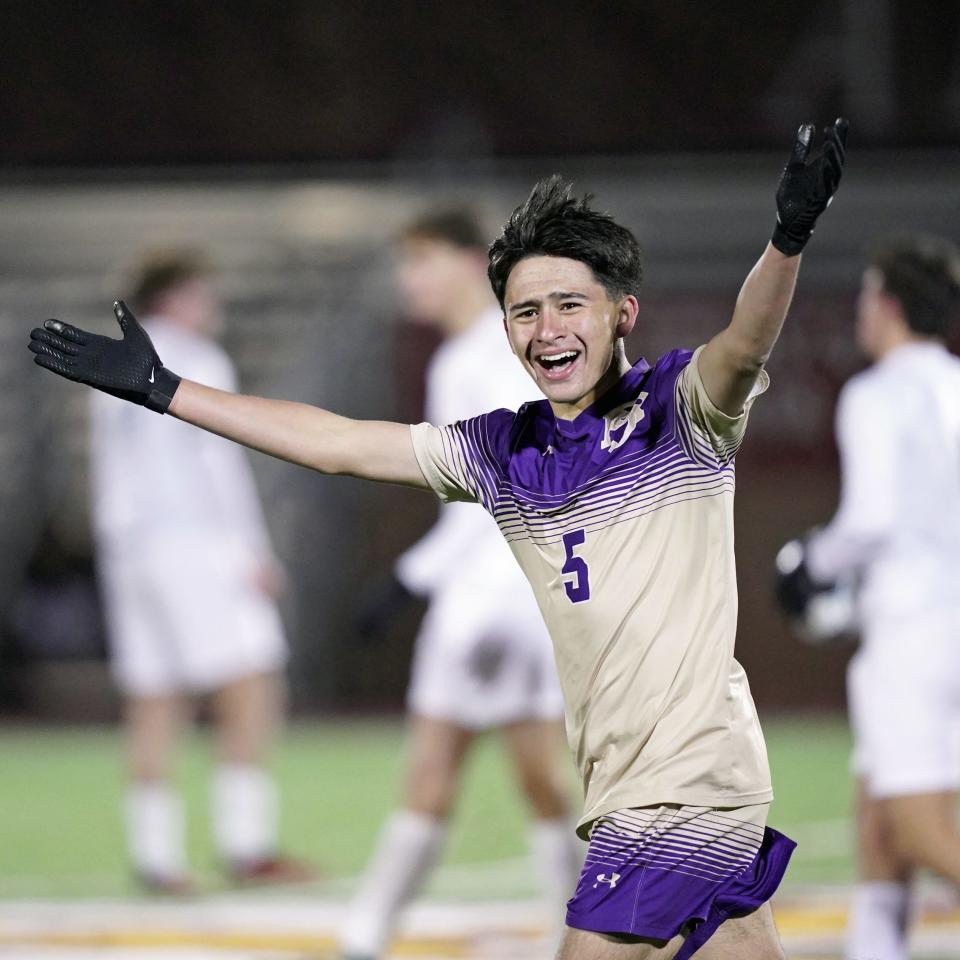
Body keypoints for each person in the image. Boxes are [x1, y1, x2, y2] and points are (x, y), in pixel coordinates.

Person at [28, 116, 847, 957]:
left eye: (571, 303)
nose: (548, 327)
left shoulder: (680, 414)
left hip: (682, 787)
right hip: (656, 782)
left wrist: (788, 237)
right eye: (525, 311)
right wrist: (168, 390)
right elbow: (339, 443)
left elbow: (747, 340)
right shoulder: (505, 449)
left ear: (623, 313)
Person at [340, 208, 581, 959]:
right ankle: (584, 932)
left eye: (422, 261)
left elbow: (496, 495)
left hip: (491, 596)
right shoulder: (500, 351)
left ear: (469, 261)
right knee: (536, 778)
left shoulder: (479, 357)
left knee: (444, 768)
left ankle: (364, 934)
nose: (409, 280)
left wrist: (407, 582)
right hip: (521, 591)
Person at [87, 249, 313, 892]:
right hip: (196, 544)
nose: (211, 306)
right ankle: (247, 846)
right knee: (251, 684)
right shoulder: (196, 358)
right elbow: (221, 464)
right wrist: (252, 551)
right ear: (177, 295)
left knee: (155, 698)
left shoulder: (112, 363)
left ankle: (154, 856)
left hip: (131, 552)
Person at [778, 235, 960, 960]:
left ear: (885, 306)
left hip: (913, 630)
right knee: (881, 825)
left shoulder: (876, 393)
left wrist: (808, 562)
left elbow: (874, 519)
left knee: (916, 828)